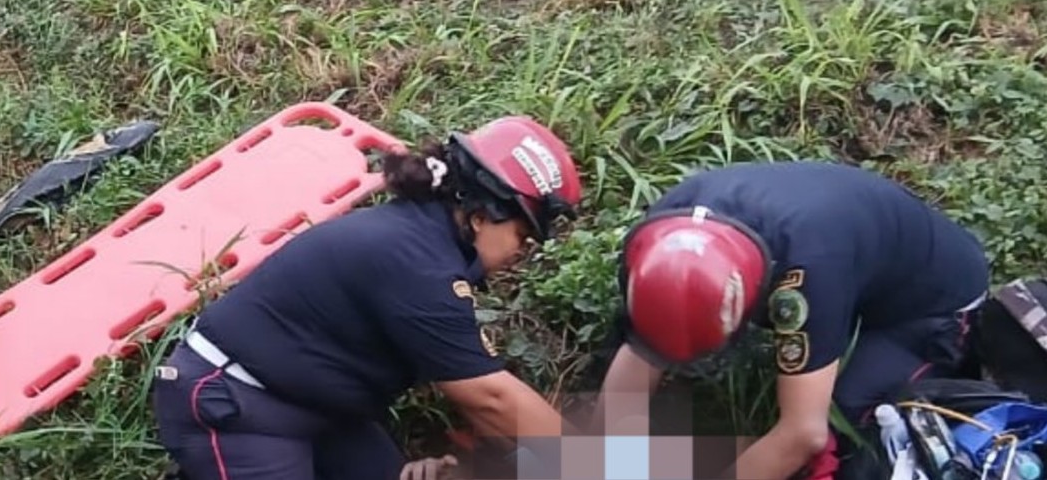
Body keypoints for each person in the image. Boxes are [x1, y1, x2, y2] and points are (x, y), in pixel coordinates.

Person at [149, 115, 583, 480]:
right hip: (237, 403)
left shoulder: (423, 243)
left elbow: (488, 403)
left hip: (320, 408)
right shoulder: (417, 262)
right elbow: (490, 397)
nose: (521, 253)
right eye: (522, 236)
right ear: (483, 214)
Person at [589, 160, 990, 479]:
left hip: (927, 304)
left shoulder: (806, 271)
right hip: (851, 258)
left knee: (848, 428)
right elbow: (643, 351)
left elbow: (803, 434)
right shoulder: (656, 241)